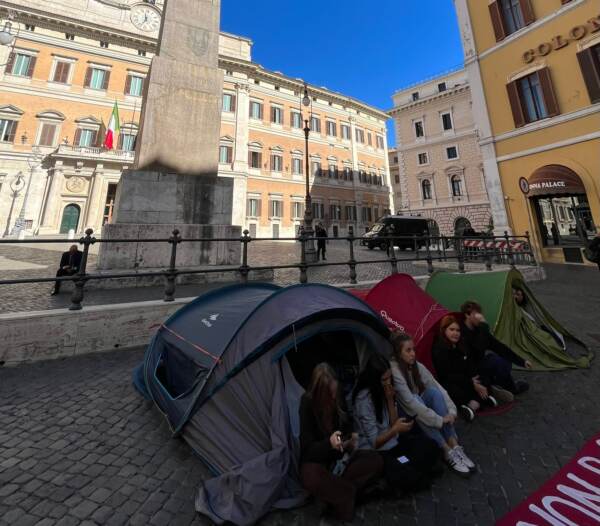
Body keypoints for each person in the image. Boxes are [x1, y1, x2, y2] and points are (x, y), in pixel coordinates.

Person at [299, 363, 382, 522]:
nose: (332, 397)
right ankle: (346, 494)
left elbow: (346, 425)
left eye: (333, 392)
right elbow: (307, 450)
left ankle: (332, 495)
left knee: (376, 460)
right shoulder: (307, 403)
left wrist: (351, 438)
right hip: (320, 462)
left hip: (340, 460)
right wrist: (328, 444)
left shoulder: (337, 395)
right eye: (327, 394)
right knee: (310, 475)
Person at [390, 331, 475, 476]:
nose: (413, 354)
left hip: (421, 411)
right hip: (405, 416)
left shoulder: (415, 365)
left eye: (413, 349)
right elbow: (411, 403)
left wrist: (452, 411)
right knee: (416, 400)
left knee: (433, 393)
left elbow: (437, 387)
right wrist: (440, 420)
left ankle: (454, 445)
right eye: (408, 350)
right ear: (398, 353)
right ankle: (446, 450)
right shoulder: (395, 369)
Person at [352, 353, 441, 490]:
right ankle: (408, 472)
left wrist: (389, 400)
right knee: (403, 472)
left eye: (389, 378)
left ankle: (412, 467)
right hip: (377, 450)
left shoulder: (386, 391)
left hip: (393, 442)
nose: (388, 383)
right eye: (383, 380)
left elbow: (393, 423)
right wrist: (395, 430)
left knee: (430, 446)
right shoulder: (363, 400)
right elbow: (375, 442)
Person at [460, 301, 532, 400]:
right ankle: (491, 386)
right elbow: (477, 348)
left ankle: (504, 386)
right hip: (469, 372)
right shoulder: (460, 332)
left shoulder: (479, 330)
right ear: (467, 315)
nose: (480, 316)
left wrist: (522, 361)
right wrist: (484, 325)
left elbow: (499, 347)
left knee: (505, 361)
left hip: (480, 367)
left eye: (480, 313)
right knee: (494, 360)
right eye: (476, 314)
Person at [432, 315, 496, 422]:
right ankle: (475, 403)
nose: (455, 333)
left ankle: (474, 403)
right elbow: (447, 375)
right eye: (451, 329)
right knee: (454, 391)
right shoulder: (439, 349)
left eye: (458, 330)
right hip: (451, 382)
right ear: (444, 331)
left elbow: (469, 365)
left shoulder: (460, 345)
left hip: (466, 379)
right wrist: (471, 383)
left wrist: (475, 379)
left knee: (483, 376)